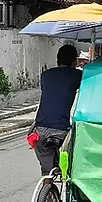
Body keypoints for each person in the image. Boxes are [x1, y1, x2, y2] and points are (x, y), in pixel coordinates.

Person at [30, 44, 83, 175]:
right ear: (74, 61)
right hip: (62, 130)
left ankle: (47, 188)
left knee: (47, 170)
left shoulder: (45, 75)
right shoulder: (77, 75)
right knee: (75, 158)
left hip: (40, 129)